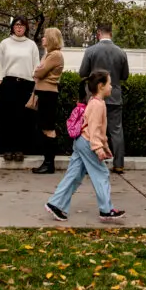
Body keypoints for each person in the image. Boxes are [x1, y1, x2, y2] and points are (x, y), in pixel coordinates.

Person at [44, 70, 126, 222]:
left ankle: (56, 204)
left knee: (74, 175)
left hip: (82, 141)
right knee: (102, 174)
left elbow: (98, 130)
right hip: (88, 143)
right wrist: (98, 148)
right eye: (110, 84)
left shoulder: (96, 103)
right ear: (101, 86)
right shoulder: (97, 105)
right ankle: (106, 210)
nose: (112, 87)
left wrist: (105, 145)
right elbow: (94, 129)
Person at [78, 24, 130, 174]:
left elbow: (83, 72)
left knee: (92, 129)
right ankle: (119, 164)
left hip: (94, 97)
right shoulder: (121, 52)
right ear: (111, 34)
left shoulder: (90, 51)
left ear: (99, 33)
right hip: (114, 96)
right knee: (116, 131)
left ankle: (90, 163)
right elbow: (125, 76)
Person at [0, 16, 40, 162]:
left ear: (26, 28)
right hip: (8, 84)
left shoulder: (31, 45)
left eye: (22, 25)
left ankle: (21, 149)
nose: (19, 27)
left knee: (23, 118)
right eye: (16, 25)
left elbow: (36, 65)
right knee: (7, 117)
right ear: (12, 27)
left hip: (26, 84)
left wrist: (35, 84)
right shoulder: (5, 43)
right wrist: (0, 81)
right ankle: (7, 149)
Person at [31, 27, 66, 174]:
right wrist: (38, 71)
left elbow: (39, 72)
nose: (42, 39)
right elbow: (38, 72)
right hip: (44, 92)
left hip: (48, 94)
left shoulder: (55, 55)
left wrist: (38, 71)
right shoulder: (49, 55)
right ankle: (47, 162)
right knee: (44, 127)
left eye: (45, 37)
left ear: (51, 39)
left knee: (48, 128)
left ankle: (49, 164)